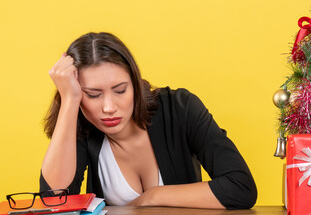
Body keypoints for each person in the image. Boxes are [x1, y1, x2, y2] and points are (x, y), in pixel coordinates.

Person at [40, 32, 257, 209]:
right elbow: (54, 201)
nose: (109, 107)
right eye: (93, 95)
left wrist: (153, 196)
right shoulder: (81, 123)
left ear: (135, 83)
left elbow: (240, 188)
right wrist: (69, 101)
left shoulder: (180, 108)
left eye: (120, 90)